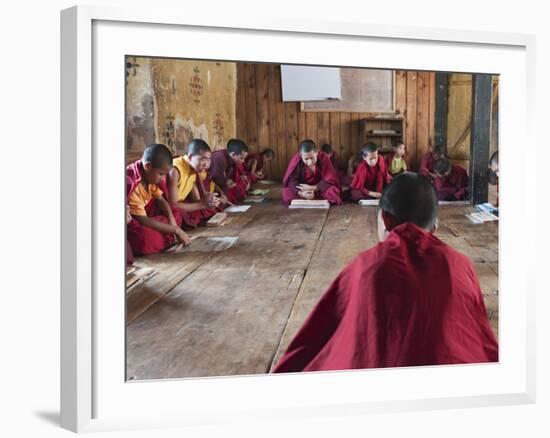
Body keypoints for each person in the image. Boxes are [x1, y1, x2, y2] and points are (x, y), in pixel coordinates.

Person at [272, 173, 498, 373]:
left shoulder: (365, 266)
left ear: (384, 220)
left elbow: (318, 336)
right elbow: (478, 334)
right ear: (435, 226)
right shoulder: (461, 264)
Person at [127, 143, 191, 257]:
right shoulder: (133, 182)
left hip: (148, 215)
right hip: (136, 221)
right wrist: (175, 230)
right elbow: (142, 220)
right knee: (146, 239)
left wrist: (172, 223)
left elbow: (161, 200)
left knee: (176, 213)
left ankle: (166, 233)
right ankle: (166, 236)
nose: (162, 179)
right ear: (148, 166)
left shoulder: (149, 176)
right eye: (161, 174)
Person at [166, 139, 225, 228]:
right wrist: (203, 204)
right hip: (169, 207)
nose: (206, 164)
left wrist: (211, 199)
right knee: (179, 215)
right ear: (190, 157)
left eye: (208, 160)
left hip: (182, 204)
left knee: (205, 210)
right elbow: (173, 205)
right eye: (202, 159)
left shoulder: (194, 168)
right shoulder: (175, 170)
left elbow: (202, 195)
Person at [282, 139, 342, 205]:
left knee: (333, 192)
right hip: (303, 189)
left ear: (317, 153)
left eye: (312, 158)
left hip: (319, 189)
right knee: (286, 193)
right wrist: (301, 193)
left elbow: (330, 179)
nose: (309, 162)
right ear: (301, 155)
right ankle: (309, 197)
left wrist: (314, 188)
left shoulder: (323, 158)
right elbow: (291, 180)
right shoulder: (297, 160)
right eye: (306, 159)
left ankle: (313, 197)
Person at [209, 138, 250, 204]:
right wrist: (229, 184)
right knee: (229, 194)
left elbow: (231, 177)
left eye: (244, 159)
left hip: (222, 183)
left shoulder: (230, 158)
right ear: (233, 154)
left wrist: (231, 182)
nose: (243, 161)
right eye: (241, 158)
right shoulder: (219, 159)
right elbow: (218, 180)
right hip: (213, 185)